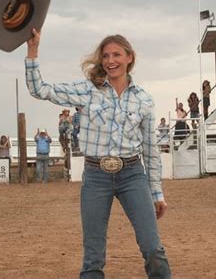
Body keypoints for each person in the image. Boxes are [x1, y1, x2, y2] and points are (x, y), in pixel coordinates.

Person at [25, 29, 171, 278]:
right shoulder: (86, 90)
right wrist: (33, 50)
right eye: (105, 56)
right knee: (93, 256)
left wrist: (156, 191)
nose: (110, 61)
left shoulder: (144, 99)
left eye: (116, 55)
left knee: (152, 247)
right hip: (96, 175)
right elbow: (40, 89)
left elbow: (150, 149)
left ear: (129, 58)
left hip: (132, 174)